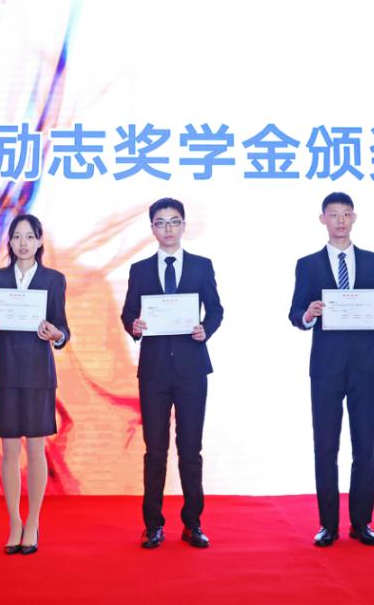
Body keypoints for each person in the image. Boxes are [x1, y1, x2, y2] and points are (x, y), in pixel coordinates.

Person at [289, 192, 374, 548]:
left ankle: (361, 523)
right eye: (333, 215)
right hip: (326, 366)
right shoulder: (308, 264)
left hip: (366, 364)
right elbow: (294, 313)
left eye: (346, 214)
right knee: (325, 446)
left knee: (365, 446)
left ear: (354, 218)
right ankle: (328, 525)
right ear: (323, 219)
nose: (340, 221)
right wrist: (308, 314)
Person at [120, 198, 224, 549]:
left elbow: (216, 309)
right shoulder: (140, 270)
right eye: (161, 222)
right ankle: (153, 525)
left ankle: (193, 523)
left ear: (183, 225)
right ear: (152, 228)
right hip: (153, 372)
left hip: (192, 369)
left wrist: (206, 328)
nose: (168, 228)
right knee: (155, 450)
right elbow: (128, 314)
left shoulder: (201, 266)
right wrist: (134, 326)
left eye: (174, 221)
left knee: (191, 449)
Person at [0, 214, 69, 556]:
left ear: (40, 241)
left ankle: (33, 522)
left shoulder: (53, 279)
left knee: (36, 448)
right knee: (10, 450)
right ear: (10, 242)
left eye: (30, 236)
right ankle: (14, 521)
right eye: (17, 236)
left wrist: (56, 334)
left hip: (39, 373)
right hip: (6, 371)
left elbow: (63, 327)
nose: (23, 243)